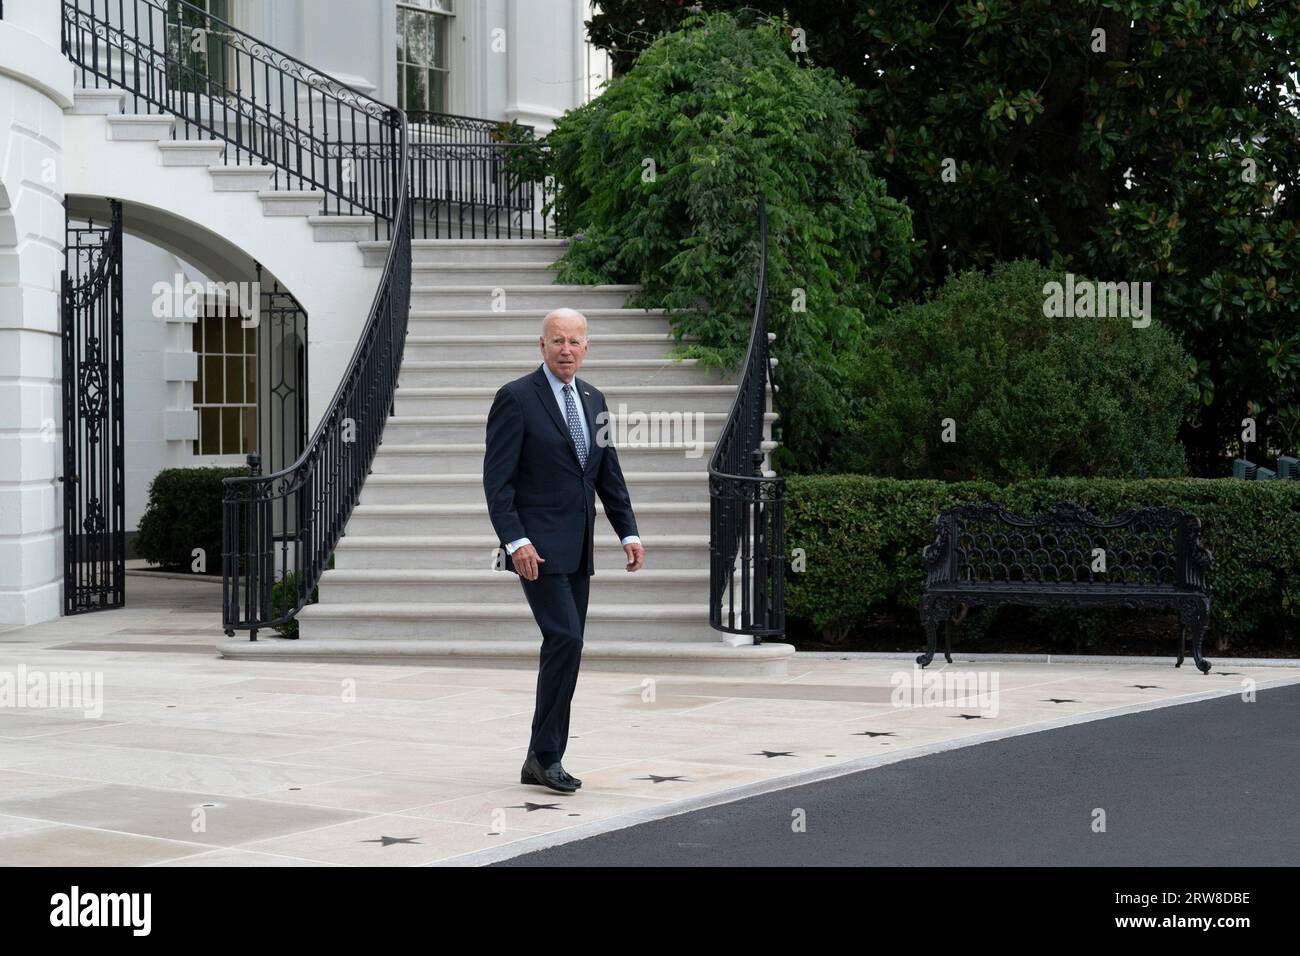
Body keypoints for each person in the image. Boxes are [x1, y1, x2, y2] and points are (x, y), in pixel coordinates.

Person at [483, 307, 645, 793]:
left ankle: (541, 755)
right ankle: (545, 756)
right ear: (542, 345)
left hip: (578, 549)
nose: (567, 349)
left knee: (567, 648)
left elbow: (606, 473)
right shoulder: (515, 398)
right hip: (536, 549)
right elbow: (498, 481)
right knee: (566, 640)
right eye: (558, 341)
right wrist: (515, 541)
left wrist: (628, 532)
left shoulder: (594, 400)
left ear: (587, 346)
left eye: (575, 341)